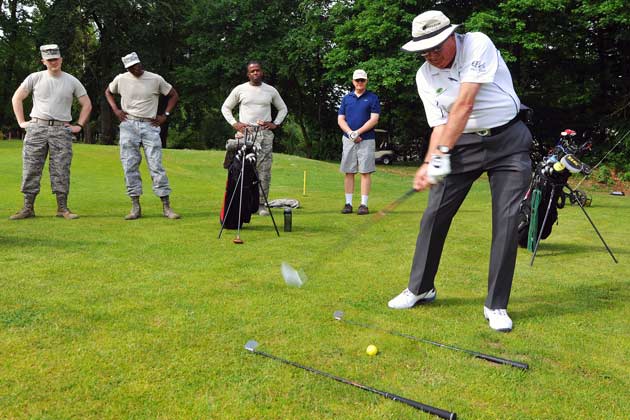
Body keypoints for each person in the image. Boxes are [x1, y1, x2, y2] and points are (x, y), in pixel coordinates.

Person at [388, 11, 532, 332]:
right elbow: (440, 125)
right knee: (434, 214)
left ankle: (496, 305)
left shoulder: (477, 43)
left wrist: (440, 154)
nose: (431, 56)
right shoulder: (425, 76)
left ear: (451, 36)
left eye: (436, 47)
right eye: (424, 51)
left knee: (507, 222)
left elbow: (465, 104)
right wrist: (428, 162)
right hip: (463, 145)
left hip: (508, 141)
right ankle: (421, 287)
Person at [10, 44, 92, 220]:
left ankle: (62, 208)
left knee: (61, 168)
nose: (53, 62)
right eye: (49, 60)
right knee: (31, 167)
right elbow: (17, 97)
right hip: (37, 128)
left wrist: (79, 125)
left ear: (61, 59)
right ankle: (28, 208)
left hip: (61, 130)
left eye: (56, 59)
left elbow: (87, 104)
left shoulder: (71, 81)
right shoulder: (35, 78)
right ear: (43, 61)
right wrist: (21, 122)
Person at [105, 52, 180, 220]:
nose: (136, 69)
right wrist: (116, 110)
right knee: (129, 165)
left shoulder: (155, 79)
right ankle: (135, 206)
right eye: (131, 67)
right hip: (128, 125)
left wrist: (165, 115)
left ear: (140, 63)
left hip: (150, 125)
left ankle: (166, 206)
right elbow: (108, 92)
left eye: (137, 65)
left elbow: (174, 95)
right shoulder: (121, 79)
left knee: (156, 165)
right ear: (127, 68)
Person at [221, 61, 288, 216]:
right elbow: (226, 107)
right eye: (252, 71)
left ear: (262, 72)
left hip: (264, 134)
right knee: (244, 168)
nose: (255, 73)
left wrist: (275, 123)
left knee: (264, 170)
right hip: (246, 132)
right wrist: (235, 124)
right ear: (248, 74)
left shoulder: (270, 90)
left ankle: (261, 205)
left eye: (257, 70)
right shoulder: (240, 89)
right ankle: (243, 203)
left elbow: (283, 108)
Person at [337, 69, 381, 215]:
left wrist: (358, 132)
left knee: (365, 171)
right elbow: (340, 119)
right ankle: (348, 203)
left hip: (366, 139)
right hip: (348, 139)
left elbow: (374, 119)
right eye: (357, 80)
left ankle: (363, 204)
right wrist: (351, 133)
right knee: (349, 171)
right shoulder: (346, 98)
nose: (360, 83)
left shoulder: (372, 98)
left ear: (366, 81)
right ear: (353, 81)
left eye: (362, 80)